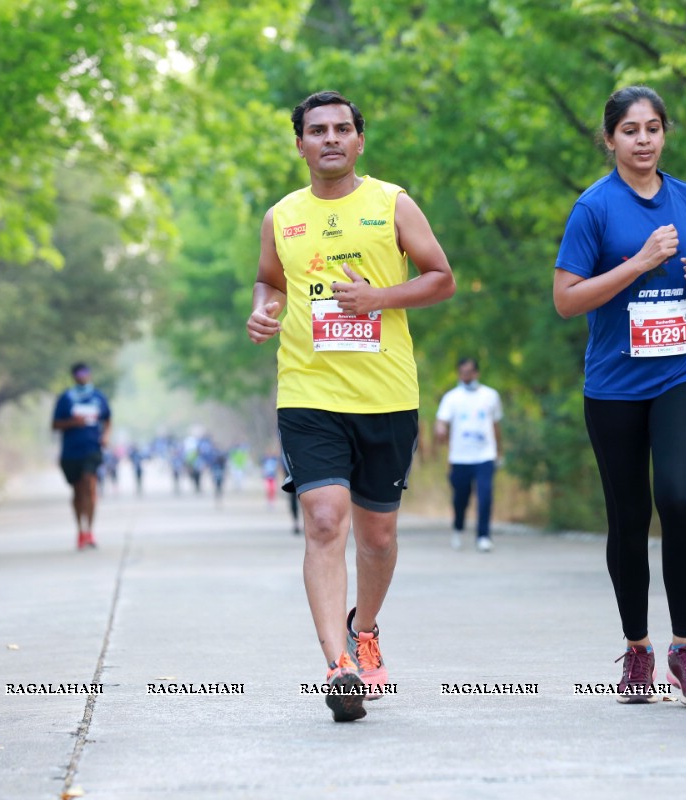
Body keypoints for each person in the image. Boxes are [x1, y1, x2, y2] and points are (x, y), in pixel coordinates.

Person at [247, 90, 455, 722]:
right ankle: (338, 666)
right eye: (317, 131)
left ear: (359, 140)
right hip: (309, 391)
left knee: (379, 534)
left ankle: (365, 629)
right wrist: (263, 307)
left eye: (342, 129)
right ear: (301, 144)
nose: (330, 139)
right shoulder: (282, 216)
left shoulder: (391, 203)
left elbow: (440, 277)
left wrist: (381, 299)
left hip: (386, 394)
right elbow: (269, 279)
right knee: (325, 520)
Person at [552, 86, 686, 706]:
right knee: (628, 518)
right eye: (630, 130)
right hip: (615, 385)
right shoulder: (593, 209)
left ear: (664, 134)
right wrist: (639, 262)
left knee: (679, 498)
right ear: (610, 139)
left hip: (682, 373)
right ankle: (639, 650)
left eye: (653, 128)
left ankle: (685, 646)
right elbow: (567, 300)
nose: (643, 140)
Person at [434, 358, 503, 552]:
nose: (466, 376)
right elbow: (441, 421)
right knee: (461, 498)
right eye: (462, 372)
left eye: (469, 372)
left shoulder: (490, 396)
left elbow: (496, 425)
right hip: (460, 457)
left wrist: (499, 450)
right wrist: (440, 429)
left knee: (485, 495)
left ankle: (483, 535)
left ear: (476, 373)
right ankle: (458, 527)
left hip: (484, 455)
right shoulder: (452, 397)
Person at [51, 363, 112, 550]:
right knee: (77, 491)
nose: (82, 375)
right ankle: (80, 530)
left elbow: (108, 419)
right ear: (74, 376)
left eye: (86, 372)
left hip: (92, 448)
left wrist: (105, 436)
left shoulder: (98, 396)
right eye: (79, 373)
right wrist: (72, 422)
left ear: (90, 374)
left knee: (90, 484)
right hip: (71, 451)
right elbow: (55, 424)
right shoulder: (66, 398)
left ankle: (90, 532)